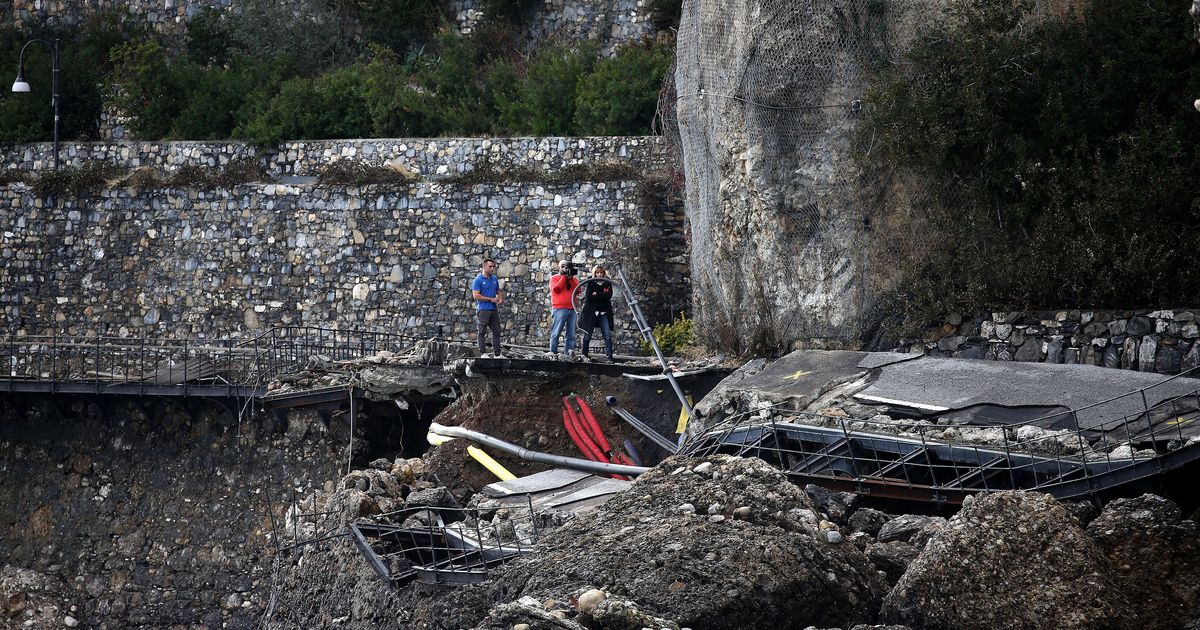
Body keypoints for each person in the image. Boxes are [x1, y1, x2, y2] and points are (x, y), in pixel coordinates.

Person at [579, 265, 615, 362]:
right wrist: (601, 296)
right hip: (592, 313)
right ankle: (584, 355)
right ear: (594, 273)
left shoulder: (607, 283)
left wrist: (597, 294)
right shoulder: (590, 282)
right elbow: (589, 297)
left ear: (603, 273)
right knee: (587, 334)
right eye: (597, 273)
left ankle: (610, 357)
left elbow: (608, 296)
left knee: (607, 334)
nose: (599, 274)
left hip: (603, 313)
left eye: (601, 272)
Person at [471, 258, 504, 357]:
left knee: (497, 331)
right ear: (484, 266)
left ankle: (497, 354)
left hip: (493, 309)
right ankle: (483, 353)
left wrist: (500, 298)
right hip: (483, 309)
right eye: (490, 266)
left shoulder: (494, 279)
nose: (492, 268)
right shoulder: (478, 280)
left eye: (493, 266)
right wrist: (490, 299)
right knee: (482, 331)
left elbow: (498, 291)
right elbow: (476, 296)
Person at [548, 259, 580, 358]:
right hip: (559, 308)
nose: (564, 269)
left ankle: (568, 354)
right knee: (556, 332)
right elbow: (556, 289)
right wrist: (563, 277)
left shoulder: (573, 279)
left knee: (571, 334)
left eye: (566, 267)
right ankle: (552, 354)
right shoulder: (554, 278)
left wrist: (570, 278)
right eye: (562, 266)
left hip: (572, 308)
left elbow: (578, 290)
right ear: (559, 268)